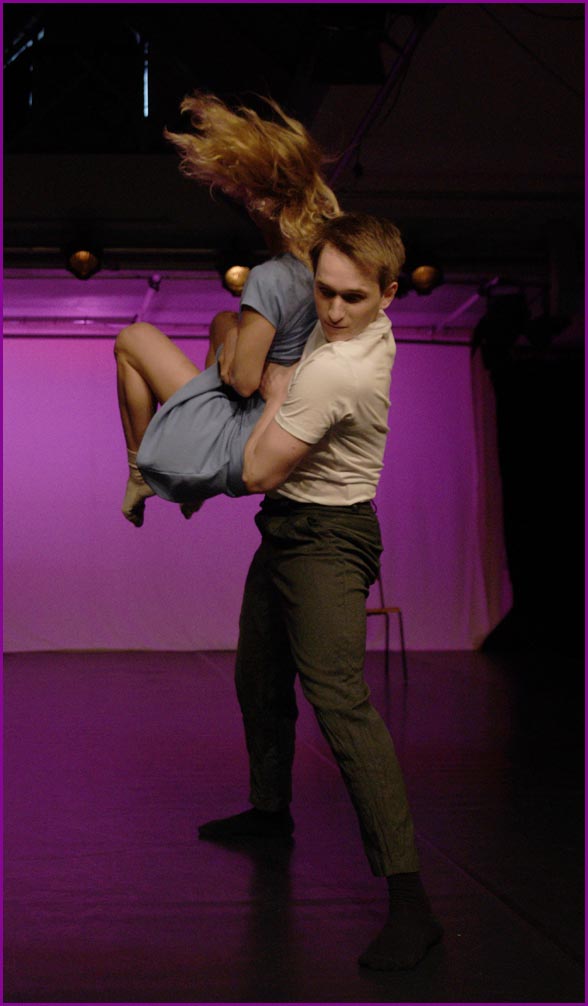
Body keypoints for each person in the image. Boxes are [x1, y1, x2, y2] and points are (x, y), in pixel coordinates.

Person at [198, 212, 443, 971]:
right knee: (258, 676)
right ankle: (271, 811)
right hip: (287, 528)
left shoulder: (343, 369)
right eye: (324, 291)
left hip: (328, 540)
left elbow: (257, 471)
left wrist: (265, 388)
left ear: (390, 294)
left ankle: (412, 903)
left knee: (341, 705)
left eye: (353, 298)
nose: (333, 311)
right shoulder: (351, 323)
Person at [115, 91, 339, 526]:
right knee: (223, 320)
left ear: (263, 205)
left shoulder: (272, 277)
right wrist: (232, 333)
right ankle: (186, 468)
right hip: (275, 424)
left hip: (240, 436)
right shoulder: (322, 267)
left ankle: (139, 473)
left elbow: (243, 380)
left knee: (131, 339)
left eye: (246, 197)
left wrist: (235, 341)